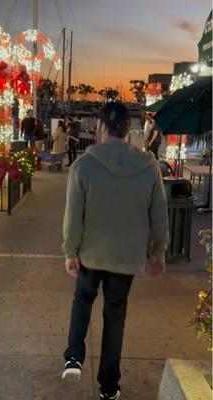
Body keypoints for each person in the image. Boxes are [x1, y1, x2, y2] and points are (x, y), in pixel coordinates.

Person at [62, 102, 168, 400]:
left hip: (91, 254)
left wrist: (70, 251)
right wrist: (158, 251)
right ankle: (109, 386)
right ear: (127, 129)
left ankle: (73, 356)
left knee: (82, 301)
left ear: (101, 127)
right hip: (127, 257)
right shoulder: (148, 167)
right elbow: (159, 214)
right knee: (115, 317)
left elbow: (73, 216)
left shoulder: (83, 165)